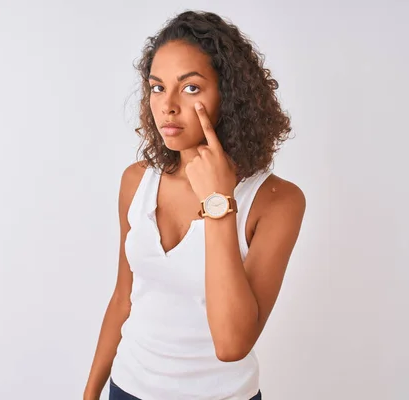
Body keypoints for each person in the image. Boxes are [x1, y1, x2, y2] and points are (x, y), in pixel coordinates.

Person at [84, 10, 306, 400]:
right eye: (157, 87)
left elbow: (231, 344)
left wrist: (217, 202)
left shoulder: (276, 202)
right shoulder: (136, 181)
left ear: (230, 95)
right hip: (127, 388)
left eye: (190, 88)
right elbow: (124, 299)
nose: (167, 105)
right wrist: (90, 394)